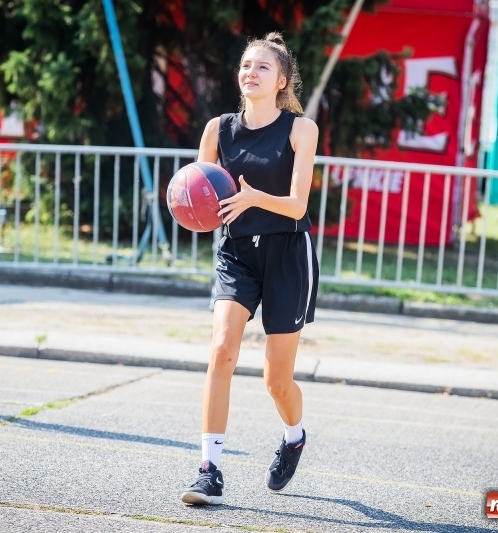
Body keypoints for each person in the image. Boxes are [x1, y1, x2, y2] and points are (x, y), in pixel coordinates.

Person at [180, 32, 319, 506]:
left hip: (287, 254)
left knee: (276, 381)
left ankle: (295, 434)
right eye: (245, 65)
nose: (250, 73)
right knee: (221, 351)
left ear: (281, 80)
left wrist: (255, 197)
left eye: (262, 67)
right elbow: (200, 191)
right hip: (237, 252)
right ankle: (208, 470)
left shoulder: (302, 129)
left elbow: (298, 203)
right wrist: (188, 206)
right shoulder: (218, 129)